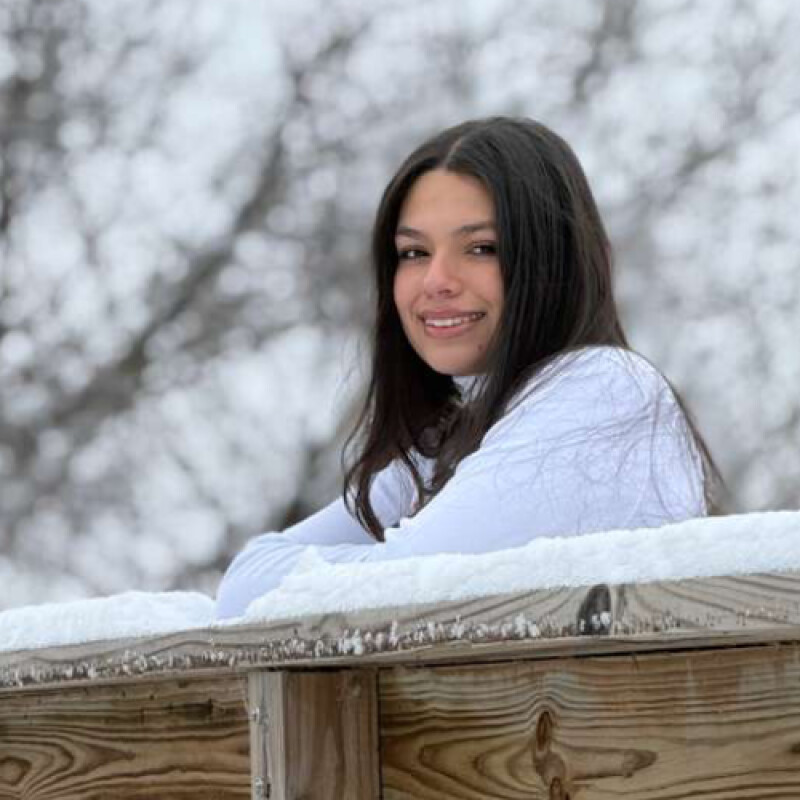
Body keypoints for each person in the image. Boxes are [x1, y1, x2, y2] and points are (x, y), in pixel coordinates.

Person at [215, 116, 719, 620]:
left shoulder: (603, 391)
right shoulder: (448, 444)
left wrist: (378, 565)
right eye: (414, 252)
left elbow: (403, 590)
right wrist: (382, 564)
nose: (436, 280)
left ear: (553, 259)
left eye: (481, 248)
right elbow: (243, 587)